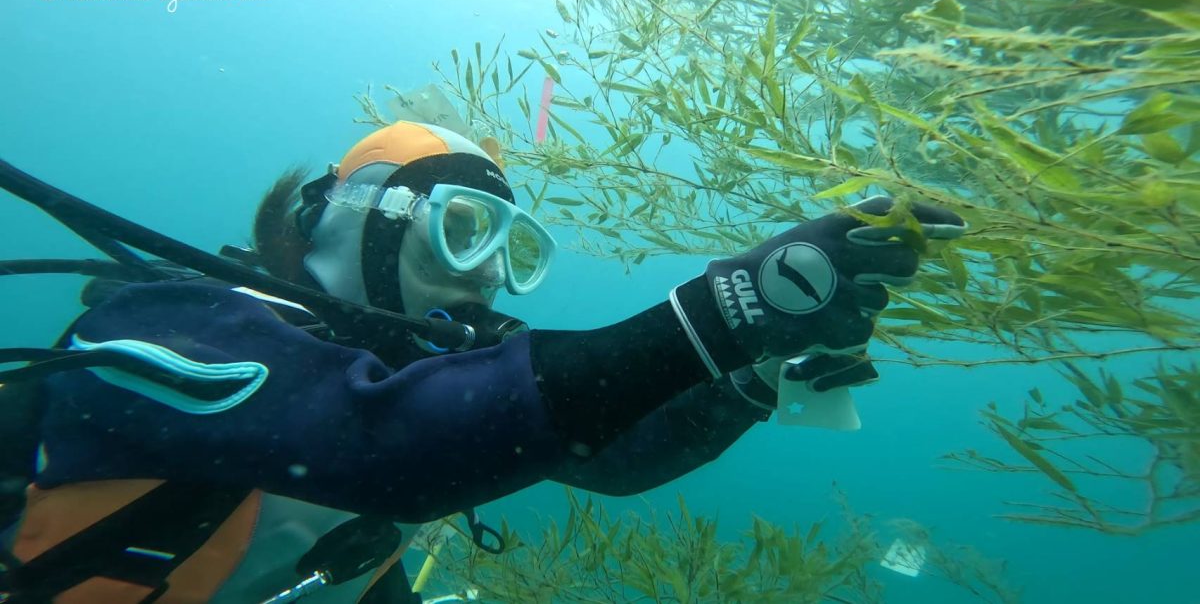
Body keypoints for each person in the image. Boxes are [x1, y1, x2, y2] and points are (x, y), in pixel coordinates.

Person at [0, 120, 965, 603]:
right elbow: (386, 448)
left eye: (517, 253)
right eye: (464, 231)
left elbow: (615, 457)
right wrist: (726, 309)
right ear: (353, 218)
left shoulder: (436, 376)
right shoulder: (176, 323)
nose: (490, 277)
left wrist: (753, 367)